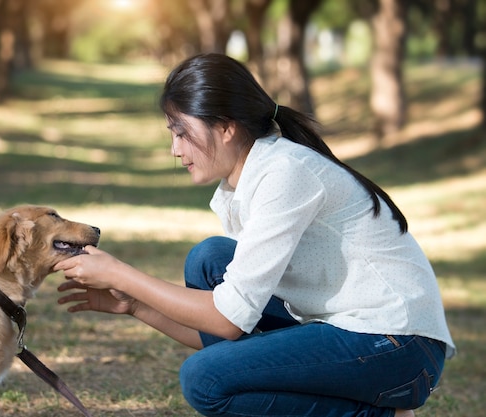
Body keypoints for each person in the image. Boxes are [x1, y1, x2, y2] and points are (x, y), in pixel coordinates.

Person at [55, 53, 455, 417]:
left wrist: (121, 274)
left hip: (398, 346)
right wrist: (135, 306)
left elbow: (227, 321)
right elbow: (228, 333)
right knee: (210, 259)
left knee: (205, 380)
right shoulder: (243, 183)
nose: (175, 150)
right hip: (350, 331)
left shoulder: (284, 173)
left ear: (226, 127)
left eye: (181, 132)